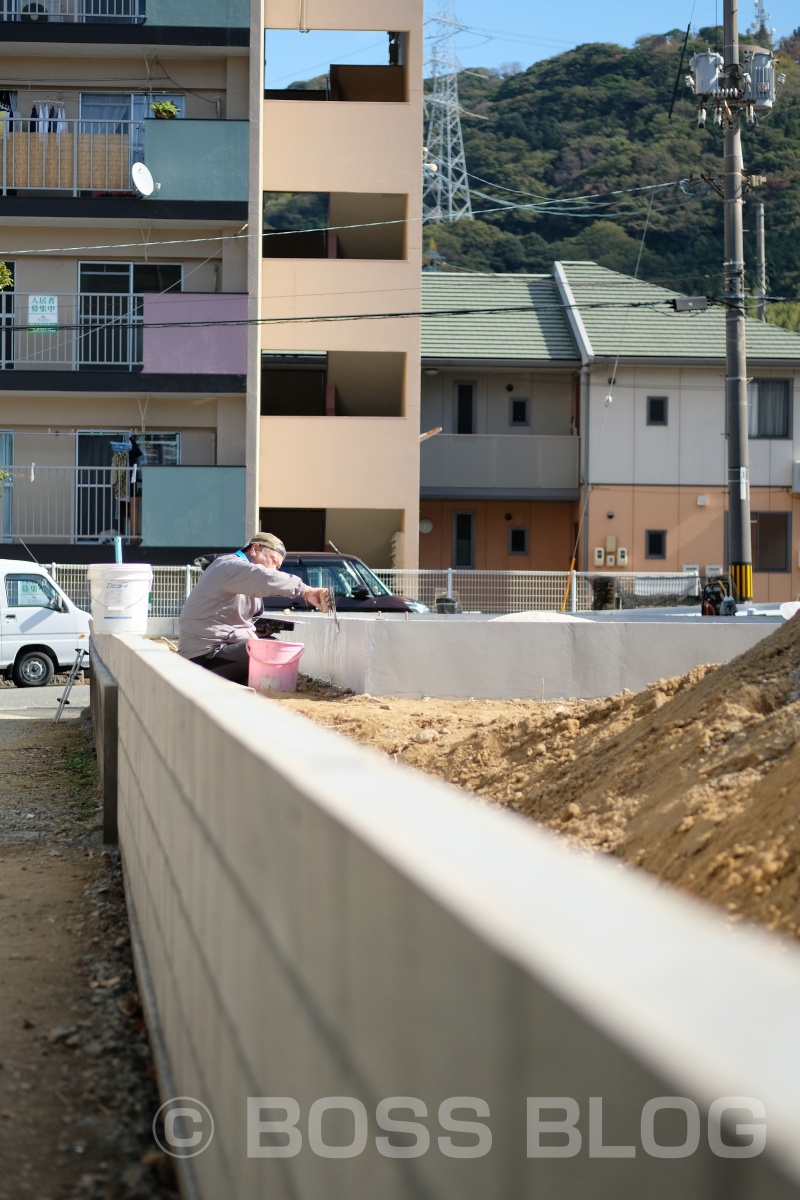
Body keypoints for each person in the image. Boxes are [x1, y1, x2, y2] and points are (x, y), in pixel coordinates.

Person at [178, 532, 326, 684]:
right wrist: (306, 591)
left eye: (278, 567)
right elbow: (265, 577)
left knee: (269, 644)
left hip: (218, 651)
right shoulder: (229, 566)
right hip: (202, 658)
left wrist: (256, 631)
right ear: (254, 549)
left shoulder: (241, 577)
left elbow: (228, 622)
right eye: (273, 561)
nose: (274, 570)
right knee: (270, 650)